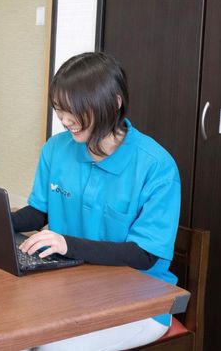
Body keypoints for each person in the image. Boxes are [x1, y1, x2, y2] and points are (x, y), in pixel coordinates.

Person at [13, 52, 180, 350]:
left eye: (75, 110)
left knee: (47, 346)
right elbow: (39, 211)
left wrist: (66, 244)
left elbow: (144, 255)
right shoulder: (56, 148)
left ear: (114, 103)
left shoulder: (156, 166)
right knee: (10, 334)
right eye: (59, 109)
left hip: (141, 302)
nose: (66, 120)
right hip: (71, 286)